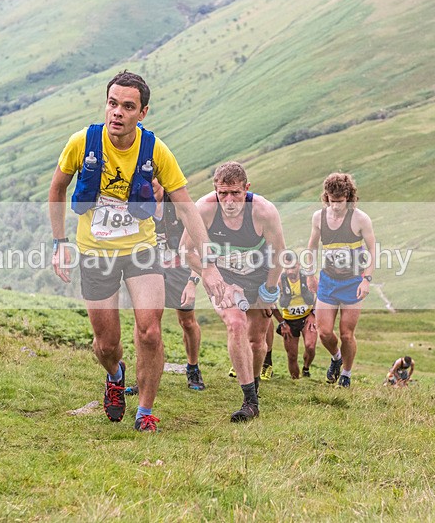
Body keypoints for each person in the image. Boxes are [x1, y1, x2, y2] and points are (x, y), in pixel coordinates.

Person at [49, 71, 225, 432]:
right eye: (112, 103)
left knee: (150, 332)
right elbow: (57, 188)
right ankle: (115, 375)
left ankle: (145, 411)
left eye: (128, 107)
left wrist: (208, 265)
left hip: (142, 251)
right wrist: (59, 243)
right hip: (95, 252)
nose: (118, 112)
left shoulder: (156, 150)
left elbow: (186, 206)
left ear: (142, 112)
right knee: (106, 344)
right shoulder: (82, 143)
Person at [184, 161, 285, 422]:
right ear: (215, 189)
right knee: (236, 324)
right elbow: (187, 251)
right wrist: (212, 275)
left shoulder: (263, 211)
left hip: (260, 278)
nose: (229, 201)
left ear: (246, 188)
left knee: (257, 342)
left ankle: (254, 385)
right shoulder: (204, 209)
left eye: (235, 193)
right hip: (224, 277)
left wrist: (269, 292)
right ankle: (250, 401)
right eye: (223, 194)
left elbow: (279, 255)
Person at [125, 179, 206, 397]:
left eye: (154, 178)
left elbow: (198, 246)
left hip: (180, 269)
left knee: (187, 321)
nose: (150, 183)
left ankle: (193, 367)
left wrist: (192, 281)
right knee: (145, 324)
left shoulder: (178, 205)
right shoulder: (137, 205)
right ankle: (144, 377)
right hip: (149, 270)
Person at [305, 173, 376, 388]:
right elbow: (312, 247)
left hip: (353, 282)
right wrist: (310, 274)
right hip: (328, 280)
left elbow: (372, 250)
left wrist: (367, 280)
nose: (335, 206)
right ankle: (336, 358)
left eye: (340, 201)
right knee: (324, 332)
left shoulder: (360, 219)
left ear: (349, 197)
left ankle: (346, 373)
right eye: (332, 200)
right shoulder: (318, 217)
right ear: (326, 196)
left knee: (346, 334)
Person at [272, 256, 318, 379]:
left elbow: (321, 294)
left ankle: (306, 367)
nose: (290, 271)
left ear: (299, 265)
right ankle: (295, 381)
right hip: (289, 321)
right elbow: (270, 302)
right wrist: (282, 322)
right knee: (292, 356)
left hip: (307, 317)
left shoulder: (308, 278)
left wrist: (313, 314)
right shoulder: (279, 281)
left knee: (310, 346)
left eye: (293, 267)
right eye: (287, 268)